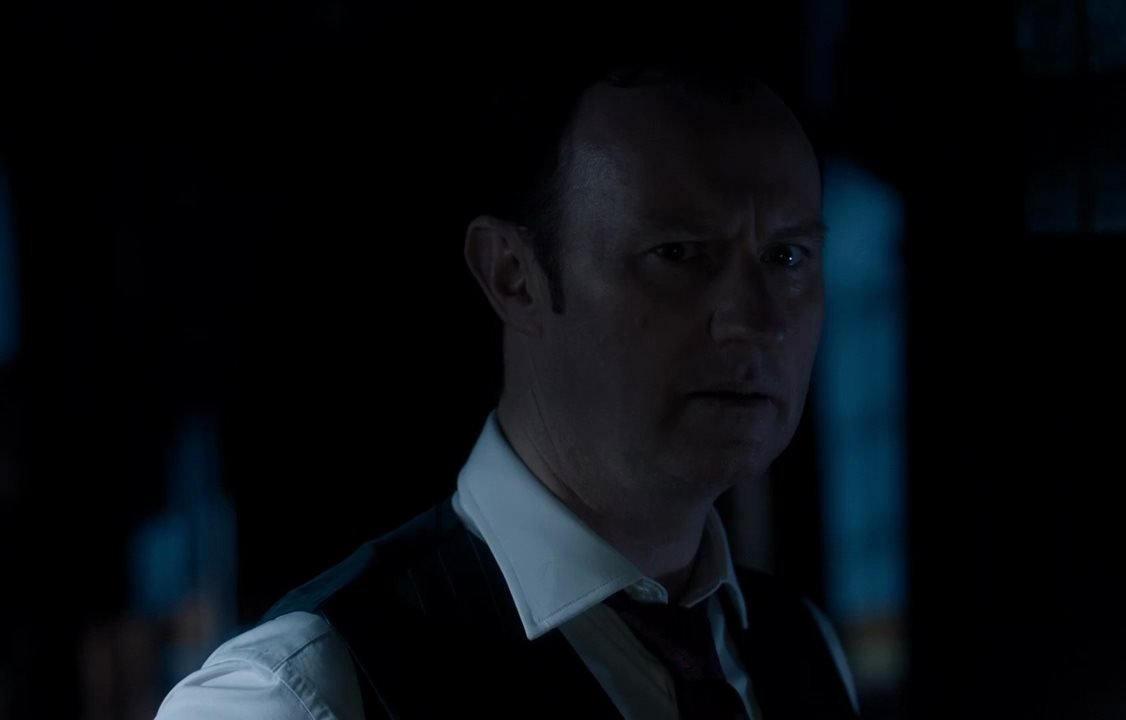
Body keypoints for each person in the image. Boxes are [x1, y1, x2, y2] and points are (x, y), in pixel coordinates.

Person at [155, 57, 860, 719]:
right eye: (677, 254)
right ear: (513, 277)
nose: (755, 320)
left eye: (786, 255)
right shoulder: (293, 695)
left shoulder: (800, 649)